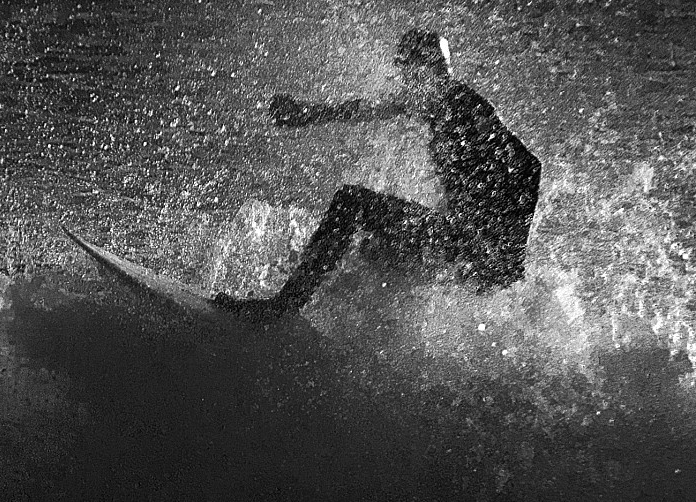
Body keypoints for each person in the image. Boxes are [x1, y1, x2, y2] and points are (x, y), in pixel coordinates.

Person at [217, 30, 542, 316]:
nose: (406, 86)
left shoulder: (465, 108)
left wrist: (506, 261)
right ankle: (336, 322)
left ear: (429, 73)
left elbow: (530, 167)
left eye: (412, 77)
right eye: (406, 77)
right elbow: (367, 108)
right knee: (372, 248)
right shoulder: (431, 100)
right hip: (467, 248)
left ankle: (281, 306)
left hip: (475, 252)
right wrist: (307, 114)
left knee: (351, 203)